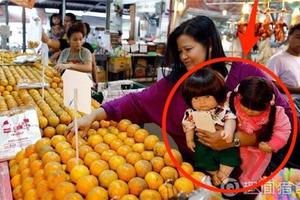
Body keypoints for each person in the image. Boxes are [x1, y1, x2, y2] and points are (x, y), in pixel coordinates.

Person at [66, 15, 292, 177]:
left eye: (188, 49)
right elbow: (135, 101)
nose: (183, 57)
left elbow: (287, 118)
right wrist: (93, 115)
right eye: (179, 51)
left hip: (253, 177)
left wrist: (236, 140)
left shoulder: (246, 75)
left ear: (210, 45)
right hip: (202, 177)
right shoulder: (174, 85)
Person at [228, 77, 291, 186]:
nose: (249, 111)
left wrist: (272, 145)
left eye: (257, 109)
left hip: (257, 152)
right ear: (239, 96)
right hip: (229, 147)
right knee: (228, 171)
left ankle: (247, 186)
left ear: (268, 104)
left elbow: (283, 130)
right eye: (245, 106)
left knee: (251, 176)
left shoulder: (276, 113)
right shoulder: (231, 99)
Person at [182, 68, 239, 186]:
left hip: (224, 141)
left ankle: (223, 173)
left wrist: (228, 131)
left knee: (230, 156)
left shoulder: (221, 109)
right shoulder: (191, 113)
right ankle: (214, 174)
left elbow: (230, 118)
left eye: (207, 96)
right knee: (202, 157)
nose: (201, 102)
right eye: (196, 98)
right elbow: (189, 126)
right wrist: (189, 139)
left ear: (217, 94)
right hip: (203, 141)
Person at [267, 24, 300, 94]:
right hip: (288, 102)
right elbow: (271, 84)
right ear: (289, 38)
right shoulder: (277, 59)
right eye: (298, 37)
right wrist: (296, 90)